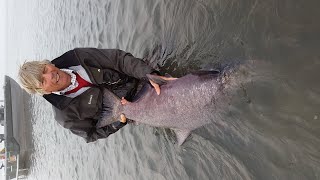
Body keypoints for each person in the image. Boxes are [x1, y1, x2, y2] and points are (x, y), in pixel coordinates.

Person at [18, 48, 163, 143]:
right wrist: (118, 123)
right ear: (43, 92)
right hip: (132, 111)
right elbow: (92, 134)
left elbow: (118, 59)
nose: (50, 75)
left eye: (45, 68)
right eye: (43, 81)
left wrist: (149, 74)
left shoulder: (78, 57)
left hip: (136, 75)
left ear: (49, 64)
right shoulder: (65, 117)